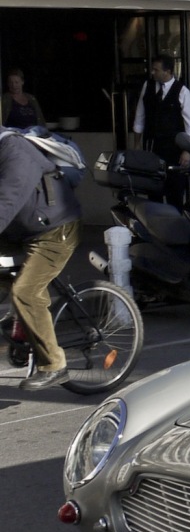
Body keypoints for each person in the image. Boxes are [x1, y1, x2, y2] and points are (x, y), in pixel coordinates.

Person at [0, 130, 82, 392]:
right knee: (15, 287)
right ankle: (21, 322)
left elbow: (7, 200)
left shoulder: (16, 153)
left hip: (57, 230)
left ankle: (54, 365)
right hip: (25, 228)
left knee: (26, 292)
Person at [133, 54, 190, 164]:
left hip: (174, 149)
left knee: (174, 179)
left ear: (167, 71)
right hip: (151, 146)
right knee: (151, 178)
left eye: (156, 70)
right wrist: (137, 143)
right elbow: (139, 117)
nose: (152, 72)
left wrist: (187, 151)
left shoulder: (182, 91)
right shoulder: (147, 86)